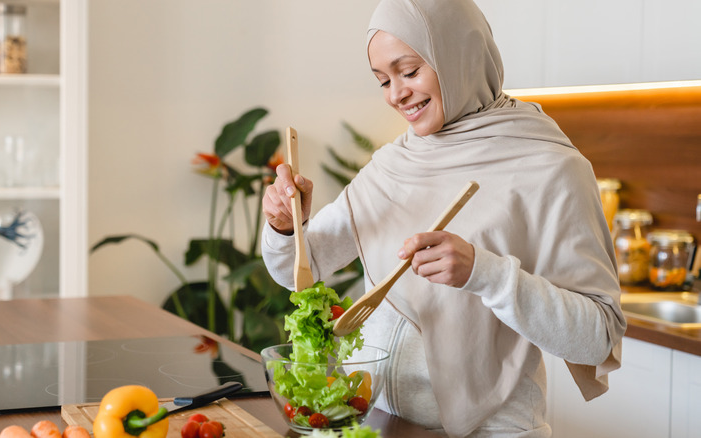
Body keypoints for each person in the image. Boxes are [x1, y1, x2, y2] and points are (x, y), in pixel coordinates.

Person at [260, 0, 626, 436]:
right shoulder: (393, 163)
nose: (396, 94)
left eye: (409, 71)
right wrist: (287, 227)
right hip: (380, 423)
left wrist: (485, 273)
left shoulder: (549, 168)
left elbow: (598, 337)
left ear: (458, 55)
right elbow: (295, 272)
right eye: (383, 80)